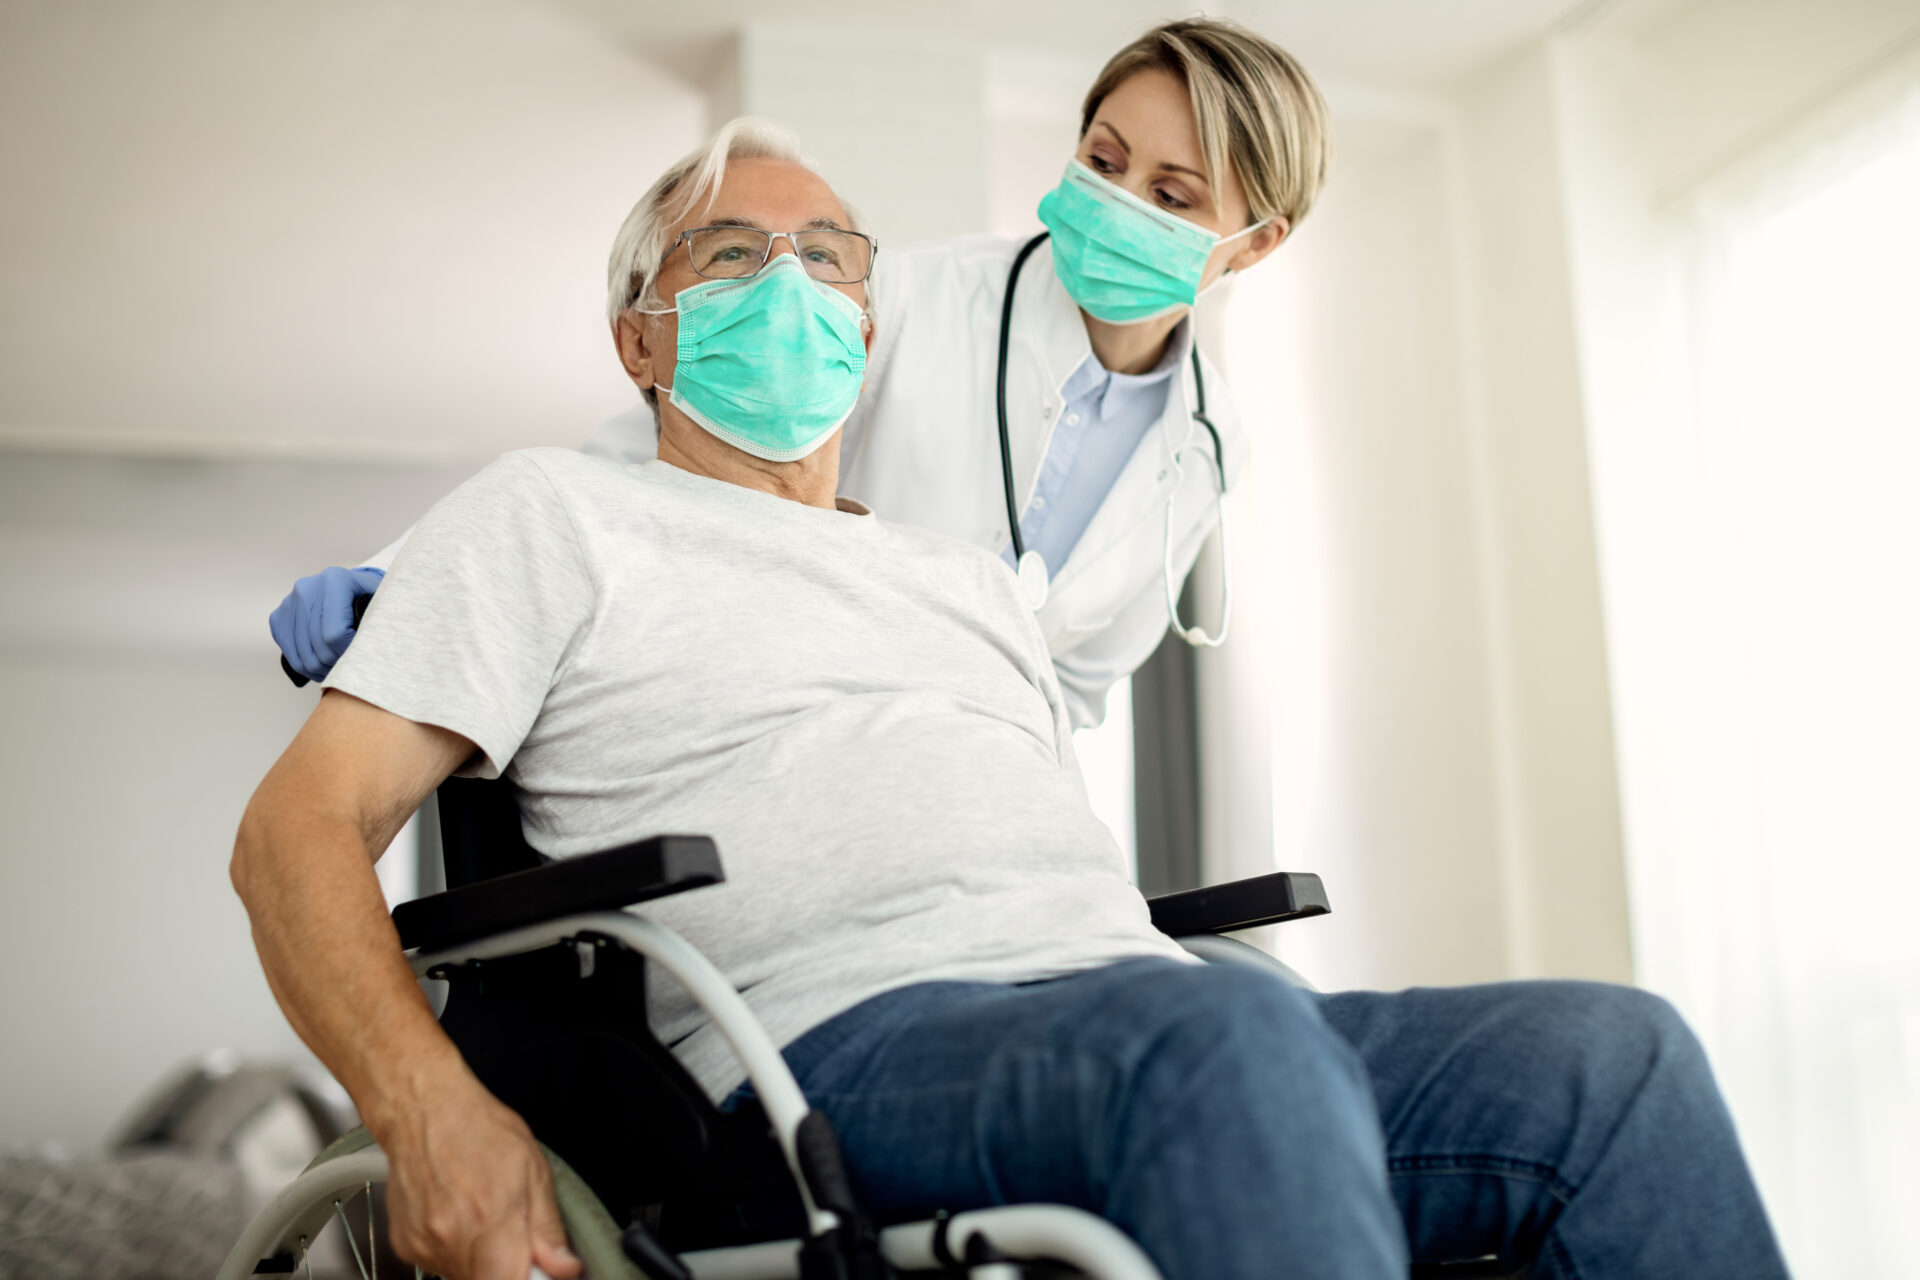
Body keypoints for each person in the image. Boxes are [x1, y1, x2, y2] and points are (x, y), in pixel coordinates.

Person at [232, 126, 1790, 1280]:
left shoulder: (965, 579)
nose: (794, 282)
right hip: (823, 1058)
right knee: (1225, 1034)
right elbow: (294, 838)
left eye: (831, 254)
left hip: (1131, 1006)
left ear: (870, 318)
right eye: (729, 254)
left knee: (1615, 1059)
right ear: (642, 338)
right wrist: (429, 1111)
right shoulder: (551, 515)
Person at [268, 17, 1325, 727]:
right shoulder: (906, 299)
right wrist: (405, 576)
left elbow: (1082, 686)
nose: (1119, 201)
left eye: (1174, 196)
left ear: (1256, 242)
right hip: (792, 718)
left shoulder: (1208, 445)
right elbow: (655, 452)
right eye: (1102, 160)